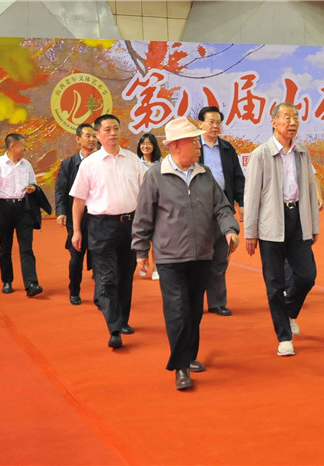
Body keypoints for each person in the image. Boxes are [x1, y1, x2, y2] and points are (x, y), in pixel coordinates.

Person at [132, 117, 240, 390]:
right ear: (176, 146)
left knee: (193, 310)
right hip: (169, 256)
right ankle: (180, 367)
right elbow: (143, 215)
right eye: (193, 141)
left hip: (202, 254)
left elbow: (222, 207)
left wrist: (229, 229)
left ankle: (189, 356)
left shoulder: (205, 174)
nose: (198, 145)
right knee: (177, 310)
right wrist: (141, 250)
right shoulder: (155, 176)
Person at [243, 102, 319, 357]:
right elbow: (251, 196)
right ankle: (284, 336)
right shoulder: (261, 154)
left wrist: (313, 224)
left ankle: (289, 311)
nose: (292, 122)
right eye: (287, 117)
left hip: (298, 218)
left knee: (307, 275)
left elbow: (309, 189)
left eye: (295, 117)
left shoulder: (302, 152)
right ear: (274, 122)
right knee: (274, 282)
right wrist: (250, 232)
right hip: (271, 222)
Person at [69, 114, 146, 349]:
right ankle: (114, 328)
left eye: (116, 129)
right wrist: (76, 231)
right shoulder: (89, 164)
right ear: (98, 134)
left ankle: (122, 320)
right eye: (107, 130)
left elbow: (146, 195)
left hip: (130, 225)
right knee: (106, 277)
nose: (113, 133)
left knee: (126, 274)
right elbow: (78, 201)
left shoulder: (133, 161)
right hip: (100, 226)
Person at [0, 133, 43, 297]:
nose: (26, 149)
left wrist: (32, 189)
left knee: (26, 248)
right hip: (4, 208)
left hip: (24, 209)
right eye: (23, 145)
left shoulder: (26, 165)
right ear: (13, 146)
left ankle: (31, 283)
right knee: (5, 247)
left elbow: (34, 184)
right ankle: (7, 281)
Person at [197, 106, 245, 317]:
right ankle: (194, 301)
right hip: (198, 206)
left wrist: (241, 203)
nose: (215, 126)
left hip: (223, 205)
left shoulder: (227, 148)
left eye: (218, 122)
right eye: (211, 122)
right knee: (197, 257)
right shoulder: (193, 147)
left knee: (220, 255)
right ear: (200, 124)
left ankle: (217, 302)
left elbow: (238, 177)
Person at [55, 123, 97, 305]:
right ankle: (74, 291)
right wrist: (61, 212)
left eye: (94, 136)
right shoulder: (69, 164)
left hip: (98, 216)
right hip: (77, 216)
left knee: (100, 256)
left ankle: (101, 295)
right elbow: (61, 190)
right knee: (77, 256)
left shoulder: (102, 161)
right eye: (88, 136)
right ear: (78, 139)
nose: (92, 139)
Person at [136, 133, 162, 280]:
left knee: (156, 239)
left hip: (158, 205)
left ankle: (156, 268)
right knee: (142, 237)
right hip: (141, 205)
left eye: (148, 143)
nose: (145, 146)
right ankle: (142, 263)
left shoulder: (161, 163)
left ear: (154, 145)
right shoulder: (136, 163)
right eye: (143, 143)